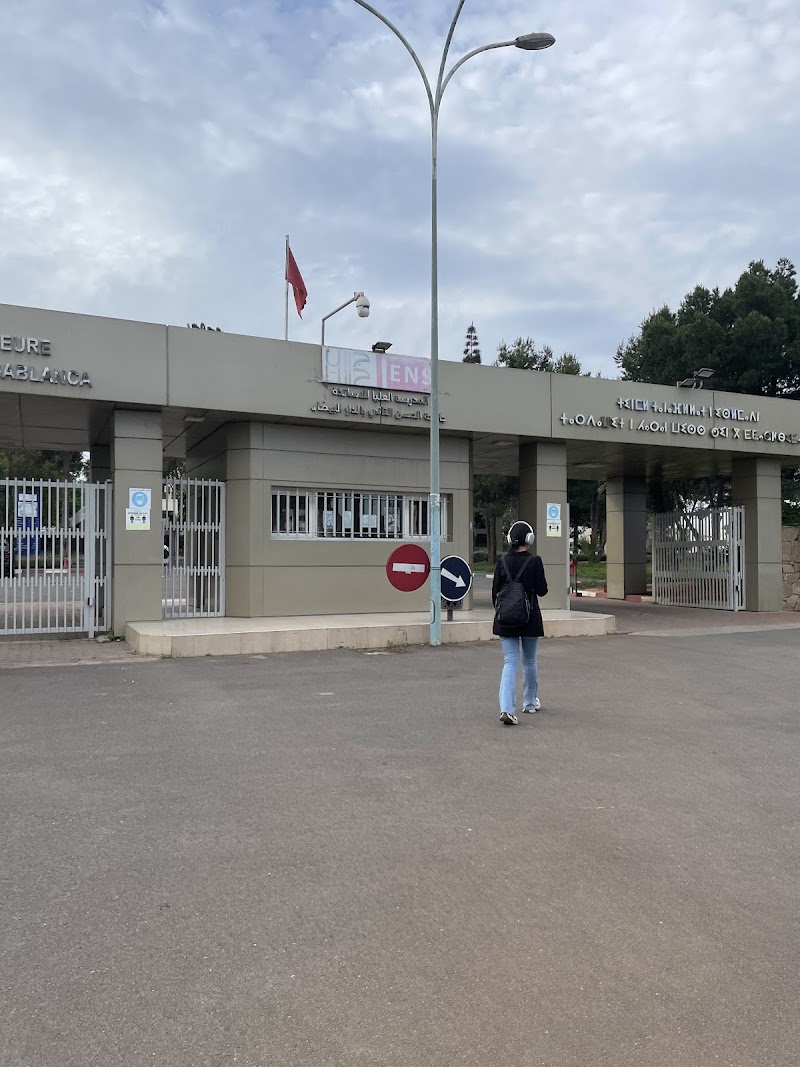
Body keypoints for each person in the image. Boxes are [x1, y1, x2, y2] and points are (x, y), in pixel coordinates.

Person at [492, 520, 548, 725]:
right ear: (529, 539)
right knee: (530, 661)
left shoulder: (501, 562)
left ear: (510, 539)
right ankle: (530, 703)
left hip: (506, 620)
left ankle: (506, 709)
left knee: (510, 662)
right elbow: (542, 590)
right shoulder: (535, 561)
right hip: (529, 618)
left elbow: (495, 594)